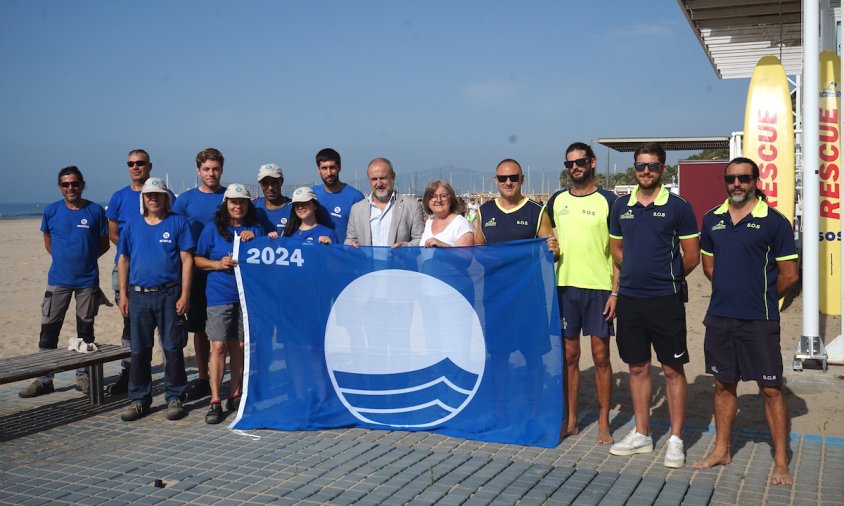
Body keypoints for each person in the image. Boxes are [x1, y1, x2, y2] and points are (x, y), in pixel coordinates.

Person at [692, 157, 798, 485]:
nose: (737, 184)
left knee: (770, 389)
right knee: (723, 385)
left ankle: (780, 460)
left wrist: (761, 297)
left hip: (759, 319)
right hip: (721, 317)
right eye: (731, 179)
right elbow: (709, 268)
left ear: (755, 180)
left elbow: (790, 275)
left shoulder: (775, 222)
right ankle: (722, 449)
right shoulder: (712, 219)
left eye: (744, 178)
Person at [608, 142, 700, 468]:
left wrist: (667, 276)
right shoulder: (621, 206)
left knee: (673, 370)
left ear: (663, 169)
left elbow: (692, 256)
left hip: (666, 299)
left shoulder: (679, 207)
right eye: (641, 166)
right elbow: (616, 249)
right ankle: (642, 433)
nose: (646, 171)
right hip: (631, 299)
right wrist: (632, 272)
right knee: (637, 367)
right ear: (635, 168)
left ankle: (676, 440)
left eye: (652, 166)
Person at [546, 142, 618, 444]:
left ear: (592, 163)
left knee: (601, 357)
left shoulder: (609, 201)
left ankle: (603, 421)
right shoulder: (556, 201)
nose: (574, 167)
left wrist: (616, 291)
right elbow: (546, 239)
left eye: (580, 162)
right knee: (569, 356)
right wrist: (551, 247)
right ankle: (571, 419)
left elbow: (619, 251)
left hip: (600, 288)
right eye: (569, 164)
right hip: (565, 286)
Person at [19, 166, 110, 398]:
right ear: (60, 187)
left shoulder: (95, 211)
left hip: (87, 281)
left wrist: (85, 259)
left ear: (82, 184)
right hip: (58, 280)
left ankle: (83, 377)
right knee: (48, 330)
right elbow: (48, 241)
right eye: (65, 184)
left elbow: (104, 244)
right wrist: (65, 259)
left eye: (75, 183)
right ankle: (44, 379)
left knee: (85, 331)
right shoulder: (51, 211)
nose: (71, 188)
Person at [194, 184, 272, 424]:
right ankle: (215, 400)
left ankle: (235, 393)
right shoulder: (211, 229)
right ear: (225, 204)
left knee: (239, 345)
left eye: (242, 202)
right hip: (219, 295)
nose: (237, 206)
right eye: (233, 201)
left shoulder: (256, 226)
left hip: (246, 296)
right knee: (218, 346)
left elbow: (273, 245)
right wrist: (217, 264)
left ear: (248, 204)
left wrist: (258, 239)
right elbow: (197, 259)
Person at [117, 177, 194, 421]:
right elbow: (123, 260)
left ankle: (174, 397)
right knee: (140, 350)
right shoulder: (131, 225)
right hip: (139, 296)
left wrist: (185, 294)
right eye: (148, 195)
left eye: (157, 194)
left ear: (165, 198)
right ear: (143, 199)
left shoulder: (178, 223)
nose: (153, 198)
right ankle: (140, 400)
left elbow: (187, 260)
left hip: (170, 294)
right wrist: (123, 294)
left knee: (172, 348)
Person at [105, 149, 174, 394]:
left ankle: (170, 380)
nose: (136, 167)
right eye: (131, 163)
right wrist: (135, 252)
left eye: (140, 163)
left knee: (167, 332)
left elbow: (170, 223)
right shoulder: (119, 197)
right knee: (130, 327)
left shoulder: (165, 194)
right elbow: (113, 232)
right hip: (128, 269)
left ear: (149, 166)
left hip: (162, 276)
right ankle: (129, 373)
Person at [172, 148, 226, 400]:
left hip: (225, 272)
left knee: (228, 329)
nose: (211, 173)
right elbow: (175, 235)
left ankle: (232, 377)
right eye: (206, 169)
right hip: (195, 271)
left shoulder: (230, 197)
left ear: (221, 170)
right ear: (198, 171)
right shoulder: (184, 200)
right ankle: (204, 378)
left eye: (215, 169)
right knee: (199, 328)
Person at [473, 159, 557, 252]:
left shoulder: (538, 212)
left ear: (522, 179)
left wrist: (554, 251)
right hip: (493, 267)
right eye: (502, 178)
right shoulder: (484, 211)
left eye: (514, 178)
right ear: (496, 180)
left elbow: (552, 252)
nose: (508, 183)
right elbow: (478, 248)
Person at [345, 157, 425, 247]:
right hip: (368, 261)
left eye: (383, 178)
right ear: (369, 180)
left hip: (399, 261)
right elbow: (350, 239)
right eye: (374, 179)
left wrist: (406, 247)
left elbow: (420, 239)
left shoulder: (412, 206)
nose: (379, 184)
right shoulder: (356, 209)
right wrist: (350, 244)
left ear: (393, 177)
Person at [311, 148, 364, 243]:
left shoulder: (355, 197)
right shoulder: (312, 194)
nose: (329, 173)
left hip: (344, 255)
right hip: (318, 255)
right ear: (318, 169)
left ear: (339, 167)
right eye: (324, 168)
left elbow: (362, 233)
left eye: (332, 167)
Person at [420, 180, 474, 247]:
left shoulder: (461, 223)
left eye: (443, 196)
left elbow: (467, 255)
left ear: (451, 199)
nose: (439, 200)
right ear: (427, 201)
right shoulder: (429, 222)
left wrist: (444, 246)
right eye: (434, 196)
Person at [253, 163, 291, 235]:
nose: (270, 188)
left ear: (281, 182)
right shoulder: (253, 207)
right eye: (265, 183)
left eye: (274, 182)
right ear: (260, 184)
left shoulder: (294, 208)